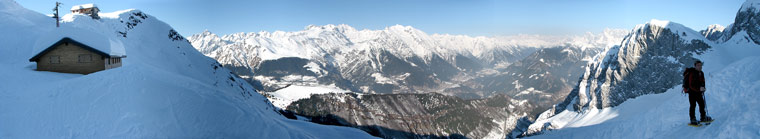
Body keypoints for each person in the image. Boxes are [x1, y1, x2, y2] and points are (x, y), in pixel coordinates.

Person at [685, 60, 713, 125]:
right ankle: (692, 119)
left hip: (698, 92)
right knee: (693, 105)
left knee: (702, 104)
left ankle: (703, 117)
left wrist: (703, 88)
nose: (700, 67)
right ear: (695, 66)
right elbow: (691, 85)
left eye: (700, 65)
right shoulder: (692, 73)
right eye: (698, 65)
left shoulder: (701, 73)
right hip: (692, 93)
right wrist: (699, 89)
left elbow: (703, 82)